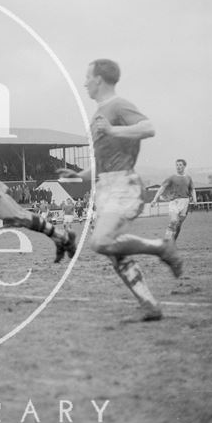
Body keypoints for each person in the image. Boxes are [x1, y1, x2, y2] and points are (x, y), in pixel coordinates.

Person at [58, 59, 182, 321]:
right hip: (107, 186)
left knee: (101, 242)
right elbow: (102, 164)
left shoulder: (117, 105)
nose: (84, 82)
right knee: (113, 251)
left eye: (87, 77)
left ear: (99, 79)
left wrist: (113, 129)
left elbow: (149, 128)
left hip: (123, 186)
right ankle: (150, 305)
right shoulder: (99, 113)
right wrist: (78, 175)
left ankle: (162, 247)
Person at [151, 159, 197, 241]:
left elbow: (192, 189)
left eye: (180, 165)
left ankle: (173, 242)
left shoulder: (188, 178)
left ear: (184, 166)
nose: (178, 167)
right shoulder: (172, 177)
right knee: (173, 221)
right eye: (177, 165)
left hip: (185, 203)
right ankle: (166, 242)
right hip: (174, 202)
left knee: (178, 225)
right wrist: (155, 199)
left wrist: (195, 199)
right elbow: (162, 188)